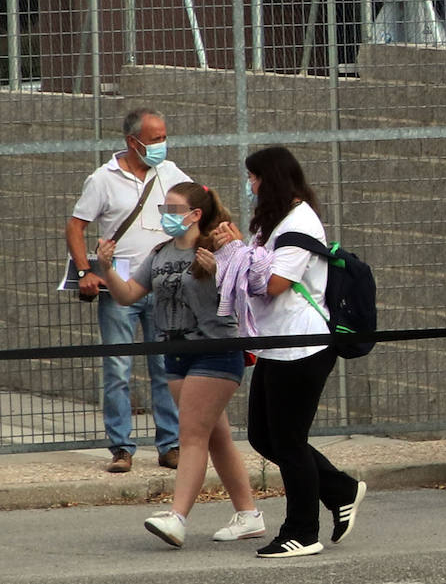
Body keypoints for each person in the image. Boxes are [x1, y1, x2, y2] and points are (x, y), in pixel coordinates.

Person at [211, 146, 366, 558]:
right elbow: (253, 271)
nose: (250, 185)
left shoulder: (301, 223)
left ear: (272, 179)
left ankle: (302, 531)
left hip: (304, 344)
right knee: (264, 436)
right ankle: (340, 488)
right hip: (275, 344)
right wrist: (231, 255)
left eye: (254, 178)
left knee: (290, 441)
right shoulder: (273, 222)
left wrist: (238, 254)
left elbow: (274, 282)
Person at [96, 182, 265, 548]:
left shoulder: (216, 247)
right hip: (174, 352)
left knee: (190, 435)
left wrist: (220, 267)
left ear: (195, 214)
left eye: (174, 209)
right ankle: (249, 514)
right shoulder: (159, 253)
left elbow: (244, 292)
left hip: (215, 350)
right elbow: (127, 296)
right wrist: (106, 268)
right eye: (164, 209)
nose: (166, 216)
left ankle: (178, 516)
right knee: (215, 437)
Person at [65, 107, 184, 474]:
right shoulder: (103, 178)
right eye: (155, 139)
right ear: (133, 142)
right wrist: (86, 269)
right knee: (118, 368)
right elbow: (75, 226)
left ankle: (171, 444)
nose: (162, 145)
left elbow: (197, 204)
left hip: (161, 281)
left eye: (164, 137)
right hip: (119, 281)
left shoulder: (170, 172)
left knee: (164, 365)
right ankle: (121, 447)